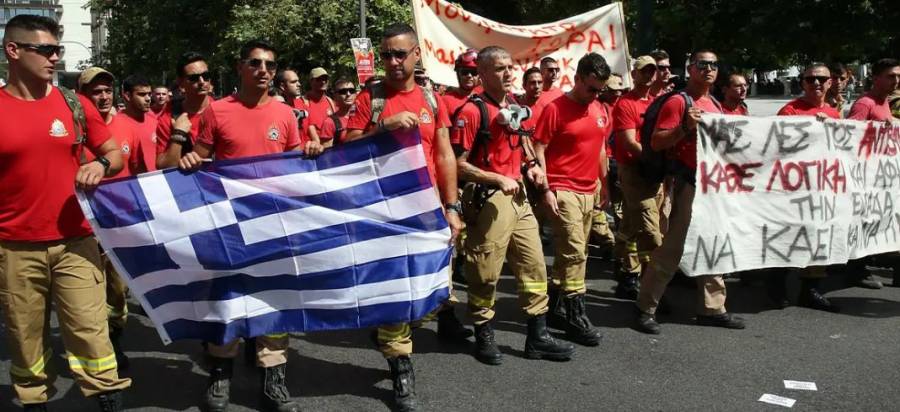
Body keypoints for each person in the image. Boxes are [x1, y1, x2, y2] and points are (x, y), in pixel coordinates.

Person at [0, 14, 130, 411]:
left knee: (92, 333)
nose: (55, 57)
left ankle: (107, 396)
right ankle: (33, 400)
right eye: (46, 50)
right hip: (14, 249)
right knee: (26, 338)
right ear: (14, 51)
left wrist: (100, 166)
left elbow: (113, 154)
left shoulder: (73, 104)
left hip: (76, 242)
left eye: (58, 50)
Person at [344, 23, 467, 412]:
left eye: (400, 54)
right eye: (386, 55)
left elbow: (444, 155)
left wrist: (452, 207)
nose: (393, 62)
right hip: (384, 215)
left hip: (429, 212)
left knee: (435, 293)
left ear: (417, 55)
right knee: (399, 293)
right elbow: (343, 147)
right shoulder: (371, 98)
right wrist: (383, 127)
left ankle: (387, 331)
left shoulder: (433, 99)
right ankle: (401, 365)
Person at [176, 39, 303, 412]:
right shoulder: (217, 111)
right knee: (228, 301)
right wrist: (190, 160)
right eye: (255, 63)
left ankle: (273, 379)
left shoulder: (285, 113)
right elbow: (200, 155)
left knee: (274, 301)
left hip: (274, 224)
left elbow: (295, 165)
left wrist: (309, 153)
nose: (264, 70)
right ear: (240, 68)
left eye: (270, 64)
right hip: (230, 226)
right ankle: (220, 376)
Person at [452, 45, 576, 365]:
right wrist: (495, 179)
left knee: (534, 266)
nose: (508, 73)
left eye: (510, 67)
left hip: (518, 196)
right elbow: (456, 165)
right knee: (485, 270)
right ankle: (484, 334)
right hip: (490, 197)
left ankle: (538, 336)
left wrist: (532, 166)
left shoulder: (514, 105)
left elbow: (522, 143)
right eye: (499, 68)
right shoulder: (472, 111)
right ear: (482, 73)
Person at [634, 49, 746, 334]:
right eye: (702, 64)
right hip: (688, 186)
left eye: (713, 64)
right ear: (691, 69)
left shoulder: (715, 105)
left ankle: (712, 308)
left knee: (713, 244)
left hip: (712, 187)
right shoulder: (678, 102)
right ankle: (645, 307)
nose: (708, 69)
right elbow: (658, 142)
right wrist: (685, 127)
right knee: (673, 248)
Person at [533, 53, 612, 347]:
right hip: (563, 190)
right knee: (575, 252)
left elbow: (601, 149)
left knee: (573, 253)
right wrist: (547, 188)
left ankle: (554, 308)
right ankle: (576, 315)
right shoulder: (555, 109)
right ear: (577, 78)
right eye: (591, 88)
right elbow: (538, 148)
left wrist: (605, 186)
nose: (596, 94)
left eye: (600, 90)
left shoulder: (601, 108)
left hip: (590, 189)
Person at [610, 55, 663, 300]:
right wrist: (655, 160)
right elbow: (629, 143)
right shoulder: (625, 103)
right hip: (634, 172)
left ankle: (627, 273)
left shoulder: (656, 102)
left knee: (631, 226)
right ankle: (653, 286)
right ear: (634, 74)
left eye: (653, 71)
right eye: (645, 71)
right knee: (652, 232)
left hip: (654, 174)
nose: (650, 75)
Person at [155, 51, 214, 169]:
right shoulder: (168, 117)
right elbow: (163, 167)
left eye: (206, 76)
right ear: (181, 83)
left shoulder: (223, 110)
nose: (202, 82)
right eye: (194, 78)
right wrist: (178, 135)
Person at [317, 77, 357, 146]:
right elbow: (327, 154)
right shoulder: (329, 123)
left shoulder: (364, 115)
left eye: (351, 90)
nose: (348, 94)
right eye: (343, 92)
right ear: (335, 96)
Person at [302, 67, 333, 155]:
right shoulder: (303, 102)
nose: (323, 82)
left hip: (330, 151)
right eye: (319, 79)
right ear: (311, 82)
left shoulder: (330, 101)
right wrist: (318, 144)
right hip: (312, 152)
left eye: (325, 79)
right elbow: (308, 126)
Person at [442, 48, 480, 116]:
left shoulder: (483, 99)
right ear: (458, 74)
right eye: (465, 72)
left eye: (474, 72)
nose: (469, 76)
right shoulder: (445, 100)